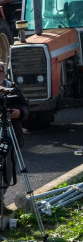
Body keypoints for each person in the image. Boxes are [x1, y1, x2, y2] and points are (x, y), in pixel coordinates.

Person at [0, 61, 28, 191]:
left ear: (4, 73)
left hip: (11, 134)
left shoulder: (13, 88)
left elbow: (25, 106)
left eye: (0, 72)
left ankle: (1, 200)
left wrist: (19, 113)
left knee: (8, 168)